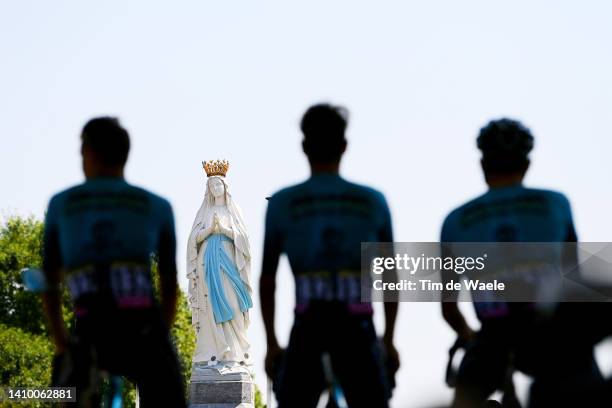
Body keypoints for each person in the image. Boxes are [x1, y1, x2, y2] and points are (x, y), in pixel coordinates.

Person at [440, 118, 605, 407]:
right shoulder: (556, 204)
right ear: (527, 164)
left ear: (483, 164)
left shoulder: (455, 220)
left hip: (494, 336)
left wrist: (469, 335)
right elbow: (573, 280)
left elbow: (449, 307)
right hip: (553, 334)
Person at [260, 104, 399, 408]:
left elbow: (268, 279)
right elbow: (391, 278)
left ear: (304, 147)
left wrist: (271, 343)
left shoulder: (283, 202)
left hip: (308, 326)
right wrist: (388, 340)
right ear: (344, 146)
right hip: (358, 328)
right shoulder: (373, 201)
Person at [42, 117, 186, 407]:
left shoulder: (61, 205)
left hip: (89, 327)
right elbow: (170, 286)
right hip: (144, 330)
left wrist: (61, 343)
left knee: (64, 395)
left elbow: (50, 283)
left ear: (89, 153)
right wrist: (160, 336)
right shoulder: (157, 206)